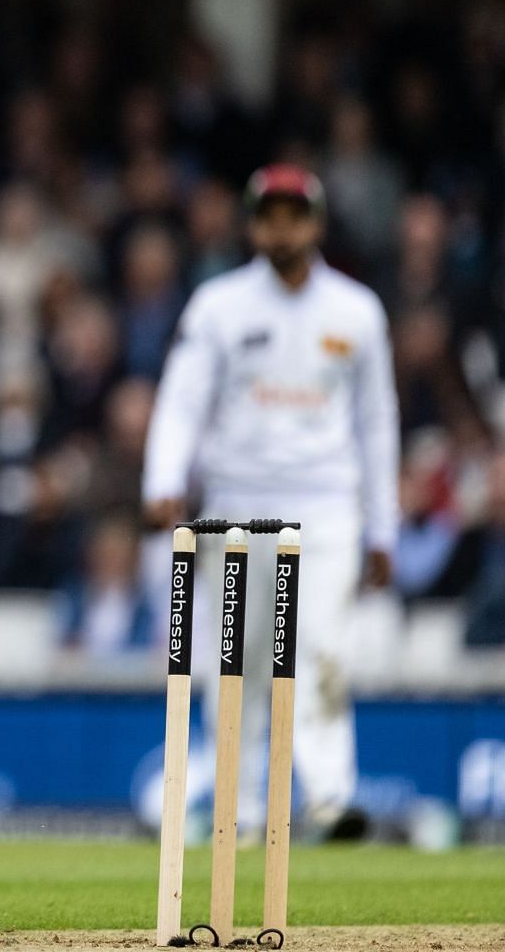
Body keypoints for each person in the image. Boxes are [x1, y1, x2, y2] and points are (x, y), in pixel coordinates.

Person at [142, 165, 398, 841]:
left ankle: (329, 798)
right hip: (236, 499)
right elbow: (182, 398)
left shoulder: (357, 310)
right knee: (238, 656)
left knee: (321, 646)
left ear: (315, 223)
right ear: (253, 224)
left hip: (328, 502)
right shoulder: (218, 305)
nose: (282, 228)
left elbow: (378, 421)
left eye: (295, 215)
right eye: (270, 215)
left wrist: (384, 526)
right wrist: (162, 478)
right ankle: (241, 807)